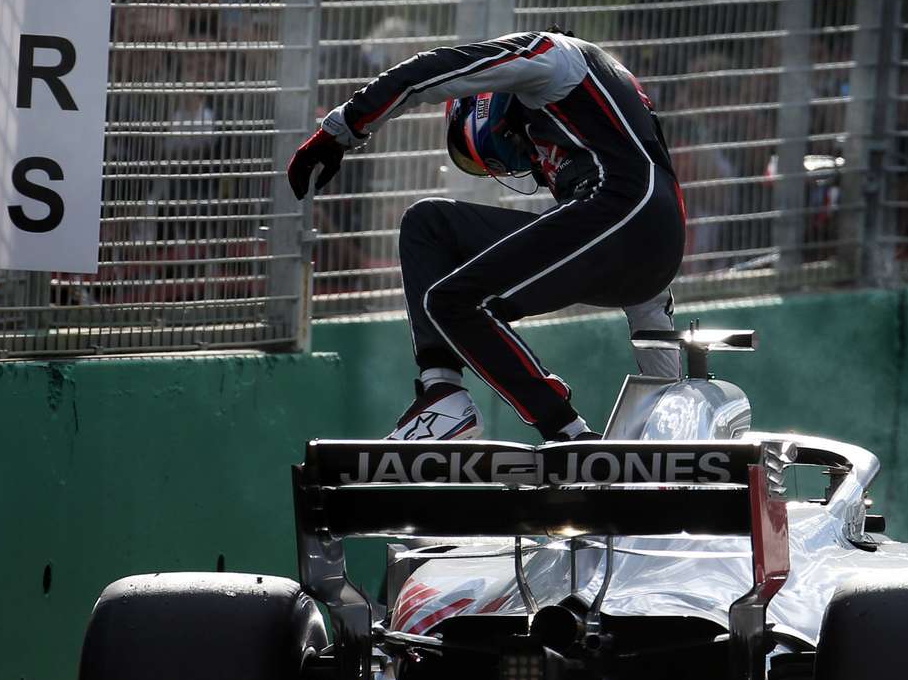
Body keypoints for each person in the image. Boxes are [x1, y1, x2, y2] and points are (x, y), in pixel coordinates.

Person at [287, 29, 684, 442]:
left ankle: (567, 432)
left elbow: (433, 69)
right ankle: (442, 389)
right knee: (428, 224)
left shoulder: (557, 57)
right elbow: (648, 280)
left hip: (626, 222)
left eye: (509, 144)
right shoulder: (596, 124)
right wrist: (664, 406)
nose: (526, 159)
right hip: (643, 244)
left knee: (453, 301)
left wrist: (341, 129)